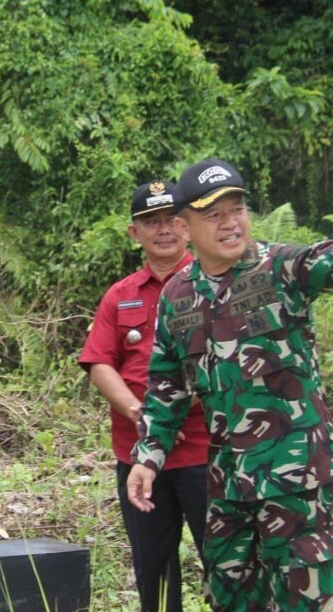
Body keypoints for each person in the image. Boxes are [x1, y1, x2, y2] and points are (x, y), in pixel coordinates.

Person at [125, 158, 333, 611]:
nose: (230, 223)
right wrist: (149, 456)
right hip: (229, 482)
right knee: (230, 598)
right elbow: (166, 385)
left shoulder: (280, 268)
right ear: (185, 225)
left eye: (237, 209)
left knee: (305, 601)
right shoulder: (178, 296)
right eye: (213, 214)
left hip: (297, 477)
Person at [78, 179, 209, 612]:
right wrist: (139, 411)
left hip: (205, 453)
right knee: (152, 567)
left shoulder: (211, 286)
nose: (164, 229)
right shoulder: (121, 295)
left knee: (223, 562)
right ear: (135, 234)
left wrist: (164, 412)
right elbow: (99, 363)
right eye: (150, 222)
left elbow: (220, 363)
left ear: (188, 226)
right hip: (137, 456)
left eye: (172, 219)